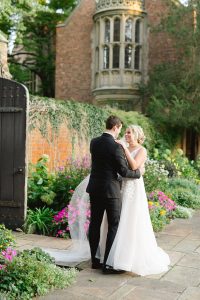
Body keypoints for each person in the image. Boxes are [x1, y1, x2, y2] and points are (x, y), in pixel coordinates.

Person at [86, 116, 141, 274]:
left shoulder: (94, 142)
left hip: (95, 188)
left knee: (94, 224)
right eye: (120, 129)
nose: (120, 133)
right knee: (113, 225)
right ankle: (107, 265)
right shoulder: (116, 146)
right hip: (111, 191)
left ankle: (95, 261)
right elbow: (123, 171)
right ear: (116, 127)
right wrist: (138, 173)